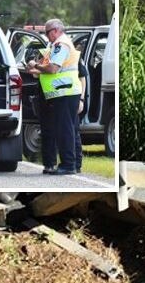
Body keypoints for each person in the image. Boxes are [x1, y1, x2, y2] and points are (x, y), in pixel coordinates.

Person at [26, 19, 81, 175]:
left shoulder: (60, 45)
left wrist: (35, 65)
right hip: (63, 92)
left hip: (65, 92)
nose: (46, 35)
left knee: (65, 130)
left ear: (56, 30)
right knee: (65, 129)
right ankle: (69, 164)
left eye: (47, 32)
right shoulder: (55, 45)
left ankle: (68, 165)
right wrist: (35, 69)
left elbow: (52, 69)